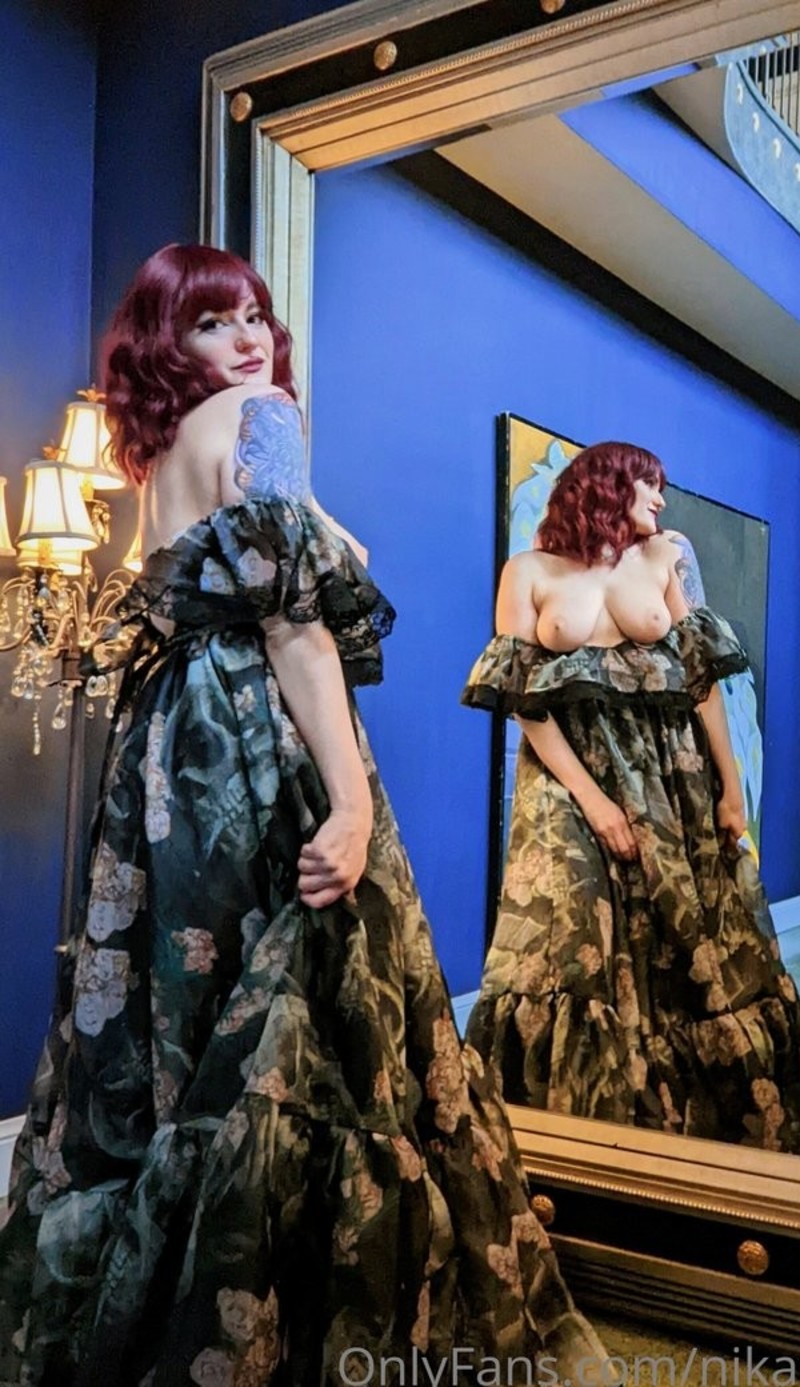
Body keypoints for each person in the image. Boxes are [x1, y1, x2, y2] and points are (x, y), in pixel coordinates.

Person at [0, 245, 609, 1386]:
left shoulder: (160, 457)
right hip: (249, 738)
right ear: (164, 341)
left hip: (162, 755)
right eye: (210, 321)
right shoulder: (263, 416)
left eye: (254, 316)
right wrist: (352, 797)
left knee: (180, 1014)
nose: (247, 338)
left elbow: (225, 578)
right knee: (311, 1003)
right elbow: (295, 627)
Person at [462, 442, 800, 1156]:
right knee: (567, 939)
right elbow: (526, 704)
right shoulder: (528, 571)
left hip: (670, 774)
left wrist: (731, 786)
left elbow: (702, 683)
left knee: (680, 930)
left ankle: (677, 1125)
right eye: (649, 485)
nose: (660, 499)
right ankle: (566, 1135)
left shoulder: (663, 557)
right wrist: (595, 803)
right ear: (608, 484)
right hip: (567, 779)